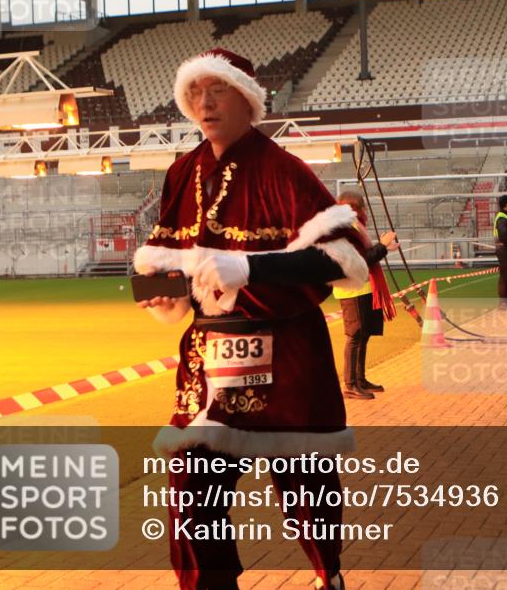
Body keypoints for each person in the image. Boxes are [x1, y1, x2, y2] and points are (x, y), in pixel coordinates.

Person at [134, 48, 369, 590]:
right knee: (191, 493)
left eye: (218, 90)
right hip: (209, 364)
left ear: (247, 99)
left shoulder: (284, 170)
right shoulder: (182, 172)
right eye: (195, 91)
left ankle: (326, 573)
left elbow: (340, 258)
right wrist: (163, 292)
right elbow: (173, 259)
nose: (206, 102)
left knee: (306, 485)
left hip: (286, 356)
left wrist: (245, 267)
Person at [332, 190, 398, 400]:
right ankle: (350, 384)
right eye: (362, 207)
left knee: (363, 335)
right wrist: (383, 246)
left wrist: (385, 248)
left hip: (362, 288)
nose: (365, 211)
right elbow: (361, 260)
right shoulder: (346, 229)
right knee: (355, 336)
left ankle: (359, 379)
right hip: (353, 289)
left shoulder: (353, 227)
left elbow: (365, 255)